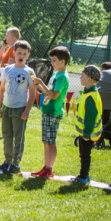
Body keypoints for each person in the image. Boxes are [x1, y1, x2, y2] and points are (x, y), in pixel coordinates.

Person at [0, 40, 37, 175]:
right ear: (14, 53)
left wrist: (26, 111)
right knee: (7, 136)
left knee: (18, 138)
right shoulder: (7, 69)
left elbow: (32, 94)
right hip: (7, 107)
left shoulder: (30, 72)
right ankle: (7, 162)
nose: (21, 55)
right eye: (19, 52)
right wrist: (0, 106)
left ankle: (16, 164)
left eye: (24, 54)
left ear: (28, 55)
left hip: (20, 109)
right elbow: (1, 89)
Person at [31, 46, 71, 178]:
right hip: (47, 110)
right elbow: (48, 91)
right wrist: (40, 87)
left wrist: (42, 82)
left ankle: (50, 168)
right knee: (46, 141)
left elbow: (54, 95)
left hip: (54, 112)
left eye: (54, 60)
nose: (52, 63)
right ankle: (46, 167)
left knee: (51, 141)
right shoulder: (55, 74)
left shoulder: (63, 77)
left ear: (63, 61)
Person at [71, 65, 102, 185]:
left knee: (85, 155)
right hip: (85, 132)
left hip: (88, 133)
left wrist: (87, 133)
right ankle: (84, 175)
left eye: (82, 75)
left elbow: (90, 116)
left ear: (89, 79)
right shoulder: (89, 92)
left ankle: (83, 177)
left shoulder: (90, 96)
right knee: (83, 154)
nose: (80, 77)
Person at [0, 27, 20, 104]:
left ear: (12, 37)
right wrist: (3, 47)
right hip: (4, 77)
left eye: (6, 35)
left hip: (7, 79)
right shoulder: (9, 48)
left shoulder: (14, 48)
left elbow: (8, 68)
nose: (5, 38)